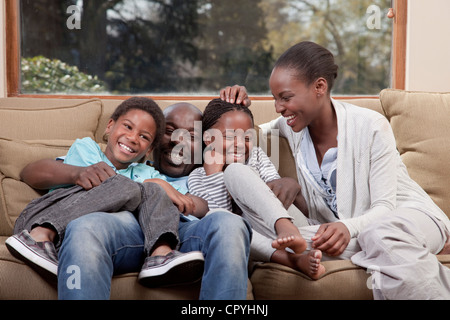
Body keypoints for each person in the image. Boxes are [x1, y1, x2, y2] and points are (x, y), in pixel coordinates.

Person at [223, 41, 450, 299]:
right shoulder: (291, 126)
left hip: (405, 216)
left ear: (319, 87)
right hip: (351, 234)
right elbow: (244, 136)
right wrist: (238, 106)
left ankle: (414, 247)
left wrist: (347, 227)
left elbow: (384, 207)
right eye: (275, 98)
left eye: (285, 97)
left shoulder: (370, 126)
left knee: (381, 234)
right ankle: (413, 254)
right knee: (249, 225)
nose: (278, 107)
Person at [19, 100, 252, 300]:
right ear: (154, 145)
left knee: (230, 223)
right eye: (169, 131)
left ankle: (161, 253)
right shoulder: (114, 163)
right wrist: (151, 186)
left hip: (178, 235)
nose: (178, 141)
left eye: (190, 136)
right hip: (116, 231)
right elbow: (34, 171)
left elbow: (203, 204)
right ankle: (42, 233)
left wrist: (184, 196)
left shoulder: (203, 172)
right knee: (87, 225)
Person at [188, 98, 325, 279]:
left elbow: (276, 196)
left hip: (285, 226)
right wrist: (215, 176)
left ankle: (289, 232)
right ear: (208, 138)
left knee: (239, 172)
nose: (239, 144)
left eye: (247, 138)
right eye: (229, 136)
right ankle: (294, 260)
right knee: (232, 227)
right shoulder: (197, 176)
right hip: (260, 242)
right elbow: (222, 221)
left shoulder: (256, 157)